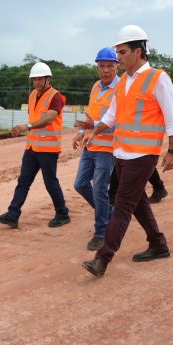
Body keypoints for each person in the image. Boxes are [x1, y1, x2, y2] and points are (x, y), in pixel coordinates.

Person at [81, 25, 173, 277]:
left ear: (138, 51)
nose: (118, 58)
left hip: (143, 154)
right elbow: (113, 114)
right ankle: (158, 244)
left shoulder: (159, 78)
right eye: (117, 52)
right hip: (122, 153)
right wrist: (96, 128)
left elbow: (172, 116)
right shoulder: (124, 81)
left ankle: (102, 258)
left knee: (123, 204)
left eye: (122, 52)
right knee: (135, 201)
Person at [0, 62, 71, 229]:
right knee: (23, 181)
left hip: (48, 149)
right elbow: (34, 118)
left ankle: (62, 213)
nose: (36, 82)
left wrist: (26, 126)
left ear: (47, 79)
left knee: (50, 182)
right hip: (32, 148)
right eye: (34, 79)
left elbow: (48, 118)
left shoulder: (56, 97)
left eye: (39, 78)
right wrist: (26, 128)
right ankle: (13, 215)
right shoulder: (32, 95)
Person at [73, 47, 119, 251]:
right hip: (90, 145)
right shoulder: (95, 87)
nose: (106, 70)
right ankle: (108, 213)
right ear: (97, 67)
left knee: (100, 189)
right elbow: (91, 116)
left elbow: (118, 120)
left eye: (110, 66)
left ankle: (101, 232)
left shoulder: (121, 88)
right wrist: (82, 133)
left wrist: (92, 127)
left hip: (107, 148)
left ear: (117, 66)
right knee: (80, 184)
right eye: (102, 66)